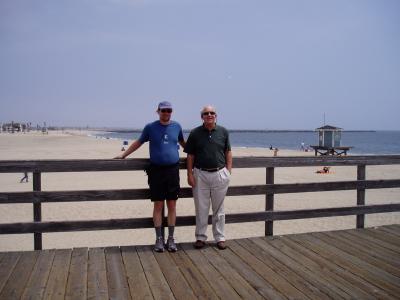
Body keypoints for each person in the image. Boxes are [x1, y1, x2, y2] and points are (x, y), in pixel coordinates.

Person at [114, 101, 185, 252]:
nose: (166, 113)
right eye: (163, 110)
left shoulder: (177, 126)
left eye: (169, 110)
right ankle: (159, 239)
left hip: (173, 170)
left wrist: (198, 154)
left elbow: (184, 144)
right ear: (158, 111)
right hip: (156, 171)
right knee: (158, 205)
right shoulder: (150, 127)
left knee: (172, 205)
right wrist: (124, 155)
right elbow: (138, 142)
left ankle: (171, 239)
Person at [184, 105, 232, 250]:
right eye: (206, 113)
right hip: (200, 174)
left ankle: (220, 238)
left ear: (215, 115)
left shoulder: (223, 131)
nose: (209, 115)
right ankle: (200, 237)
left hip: (220, 174)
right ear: (202, 117)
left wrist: (228, 172)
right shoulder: (195, 133)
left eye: (212, 113)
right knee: (201, 208)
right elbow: (190, 155)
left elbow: (228, 152)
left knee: (219, 209)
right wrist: (189, 174)